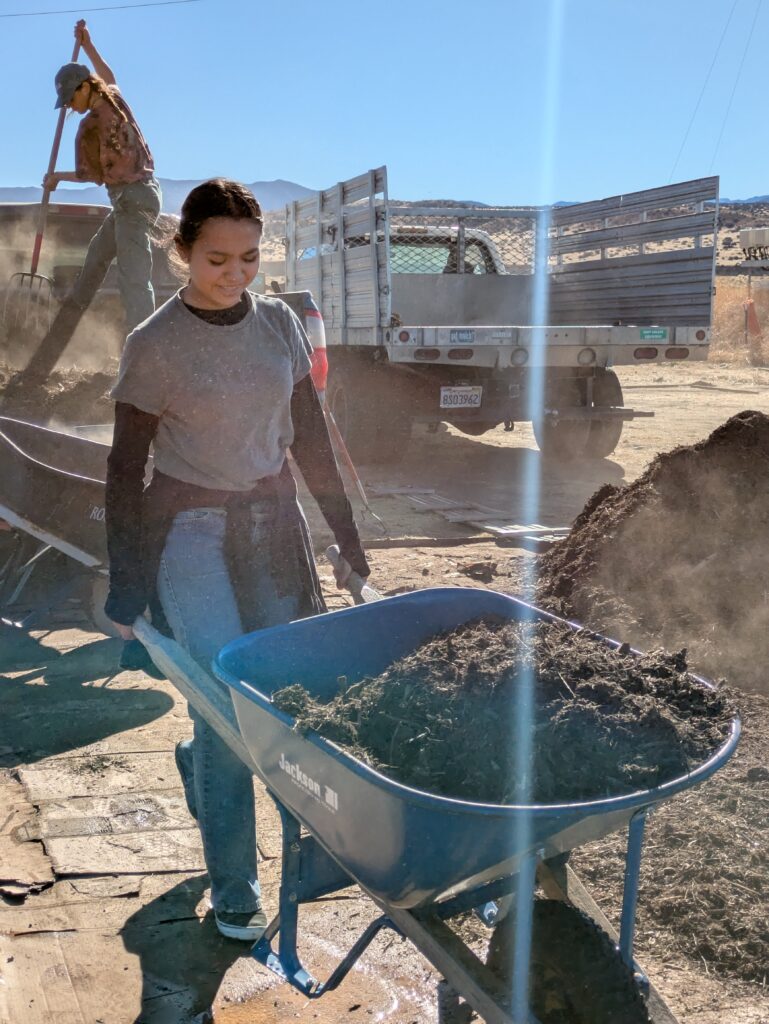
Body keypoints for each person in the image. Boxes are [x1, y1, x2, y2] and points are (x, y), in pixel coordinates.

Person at [103, 178, 370, 942]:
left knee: (281, 697)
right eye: (217, 258)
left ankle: (197, 763)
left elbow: (311, 438)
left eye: (249, 258)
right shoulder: (153, 345)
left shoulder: (281, 323)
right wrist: (126, 587)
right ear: (182, 250)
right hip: (187, 530)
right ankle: (235, 887)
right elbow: (125, 471)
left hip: (270, 523)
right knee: (227, 712)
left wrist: (347, 543)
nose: (234, 274)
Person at [33, 20, 161, 374]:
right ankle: (44, 360)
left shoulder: (91, 126)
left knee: (135, 284)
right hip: (136, 198)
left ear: (85, 87)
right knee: (90, 272)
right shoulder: (113, 95)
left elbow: (90, 174)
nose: (70, 106)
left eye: (71, 98)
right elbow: (109, 73)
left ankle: (145, 367)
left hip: (132, 200)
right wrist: (88, 45)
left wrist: (55, 177)